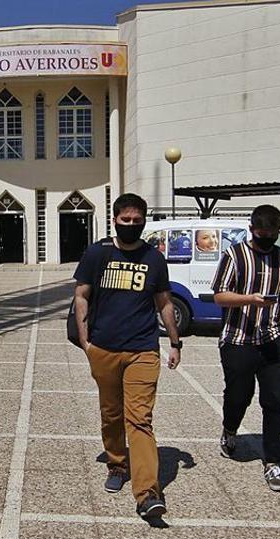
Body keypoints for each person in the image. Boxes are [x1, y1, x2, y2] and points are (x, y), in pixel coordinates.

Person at [73, 193, 182, 520]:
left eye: (137, 221)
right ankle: (118, 463)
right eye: (126, 221)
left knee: (140, 419)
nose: (132, 226)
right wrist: (86, 343)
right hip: (103, 348)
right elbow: (81, 297)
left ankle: (148, 493)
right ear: (115, 220)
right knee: (111, 413)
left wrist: (175, 342)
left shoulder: (154, 258)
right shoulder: (97, 253)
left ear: (144, 221)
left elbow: (164, 302)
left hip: (143, 350)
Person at [212, 205, 280, 492]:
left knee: (275, 400)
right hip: (238, 340)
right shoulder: (234, 255)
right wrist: (249, 299)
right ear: (251, 230)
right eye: (261, 235)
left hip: (275, 340)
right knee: (239, 394)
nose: (266, 240)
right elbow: (220, 296)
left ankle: (273, 461)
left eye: (271, 235)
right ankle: (230, 429)